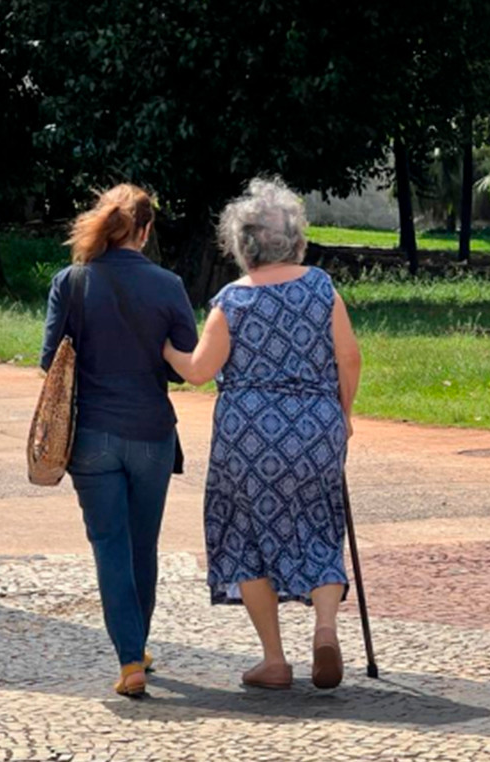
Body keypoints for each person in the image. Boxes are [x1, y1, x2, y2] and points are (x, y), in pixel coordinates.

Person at [164, 177, 363, 691]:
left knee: (245, 535)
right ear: (296, 238)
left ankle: (274, 659)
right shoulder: (321, 287)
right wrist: (341, 414)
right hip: (317, 428)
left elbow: (200, 370)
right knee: (319, 525)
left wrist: (165, 348)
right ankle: (324, 629)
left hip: (247, 438)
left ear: (243, 245)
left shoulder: (231, 300)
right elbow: (348, 357)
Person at [40, 183, 198, 698]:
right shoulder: (169, 284)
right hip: (152, 434)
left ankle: (130, 658)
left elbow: (50, 362)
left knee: (109, 545)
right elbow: (184, 362)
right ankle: (138, 644)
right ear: (147, 232)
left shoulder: (72, 281)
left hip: (90, 438)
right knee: (141, 545)